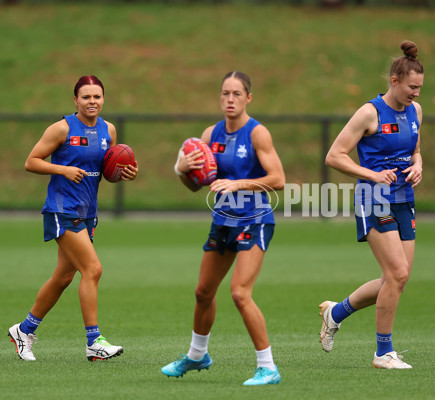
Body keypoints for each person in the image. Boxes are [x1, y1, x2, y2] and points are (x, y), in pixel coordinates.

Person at [161, 71, 285, 385]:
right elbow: (194, 185)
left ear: (248, 98)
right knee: (203, 292)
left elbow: (278, 179)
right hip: (223, 221)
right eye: (225, 93)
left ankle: (268, 367)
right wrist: (182, 170)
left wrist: (238, 183)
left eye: (237, 94)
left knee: (240, 293)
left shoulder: (258, 133)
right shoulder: (210, 134)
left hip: (255, 220)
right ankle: (197, 355)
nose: (230, 99)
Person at [8, 75, 139, 362]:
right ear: (76, 100)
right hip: (62, 209)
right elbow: (32, 161)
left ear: (103, 99)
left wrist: (124, 173)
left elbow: (107, 171)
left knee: (63, 277)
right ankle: (94, 341)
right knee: (93, 269)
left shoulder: (109, 130)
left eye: (97, 97)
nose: (92, 102)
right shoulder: (62, 128)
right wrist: (63, 170)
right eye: (86, 97)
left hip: (87, 213)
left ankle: (24, 330)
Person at [320, 41, 424, 369]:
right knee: (396, 273)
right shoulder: (370, 113)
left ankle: (335, 313)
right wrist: (372, 175)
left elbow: (415, 149)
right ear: (394, 81)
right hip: (374, 199)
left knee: (397, 279)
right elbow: (334, 156)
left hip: (404, 198)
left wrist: (418, 163)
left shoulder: (416, 111)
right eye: (411, 87)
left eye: (420, 88)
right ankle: (383, 353)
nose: (416, 94)